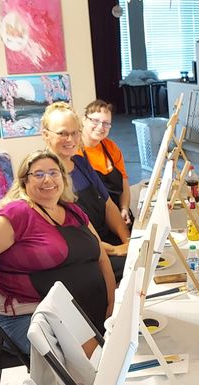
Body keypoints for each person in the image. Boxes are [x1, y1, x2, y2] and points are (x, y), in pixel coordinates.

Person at [0, 150, 116, 354]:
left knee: (119, 344)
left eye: (54, 173)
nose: (47, 179)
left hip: (74, 310)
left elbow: (101, 257)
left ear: (63, 178)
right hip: (23, 316)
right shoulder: (16, 215)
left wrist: (111, 303)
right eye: (38, 174)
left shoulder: (73, 211)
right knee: (94, 358)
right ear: (24, 182)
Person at [41, 102, 130, 279]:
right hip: (82, 256)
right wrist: (116, 250)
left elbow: (108, 206)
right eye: (62, 133)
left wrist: (127, 240)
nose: (71, 139)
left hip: (104, 241)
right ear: (45, 135)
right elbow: (70, 236)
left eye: (75, 133)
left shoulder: (81, 164)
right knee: (135, 268)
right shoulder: (45, 177)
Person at [79, 100, 134, 224]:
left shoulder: (111, 147)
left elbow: (124, 181)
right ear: (84, 120)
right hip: (90, 220)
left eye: (106, 123)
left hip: (117, 214)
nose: (100, 127)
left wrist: (124, 208)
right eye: (95, 121)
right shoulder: (73, 151)